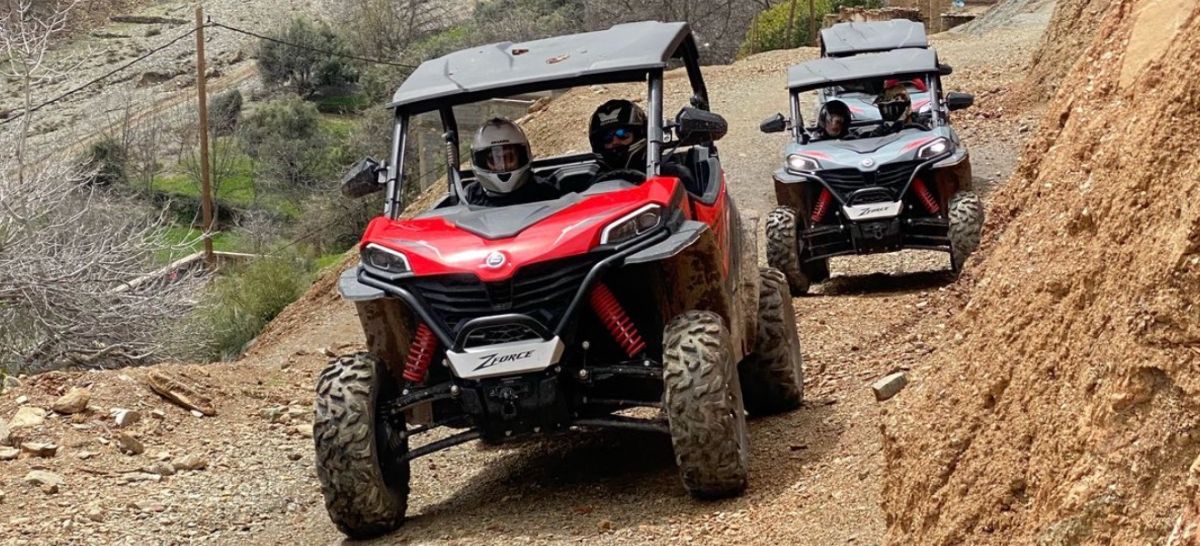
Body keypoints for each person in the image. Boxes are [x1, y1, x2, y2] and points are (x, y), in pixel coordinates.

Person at [463, 117, 559, 207]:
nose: (501, 165)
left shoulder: (544, 191)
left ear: (520, 158)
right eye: (494, 159)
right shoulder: (470, 196)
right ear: (483, 162)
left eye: (508, 157)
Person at [588, 99, 648, 172]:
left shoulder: (660, 168)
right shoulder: (593, 178)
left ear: (639, 134)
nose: (615, 142)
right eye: (607, 137)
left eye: (622, 133)